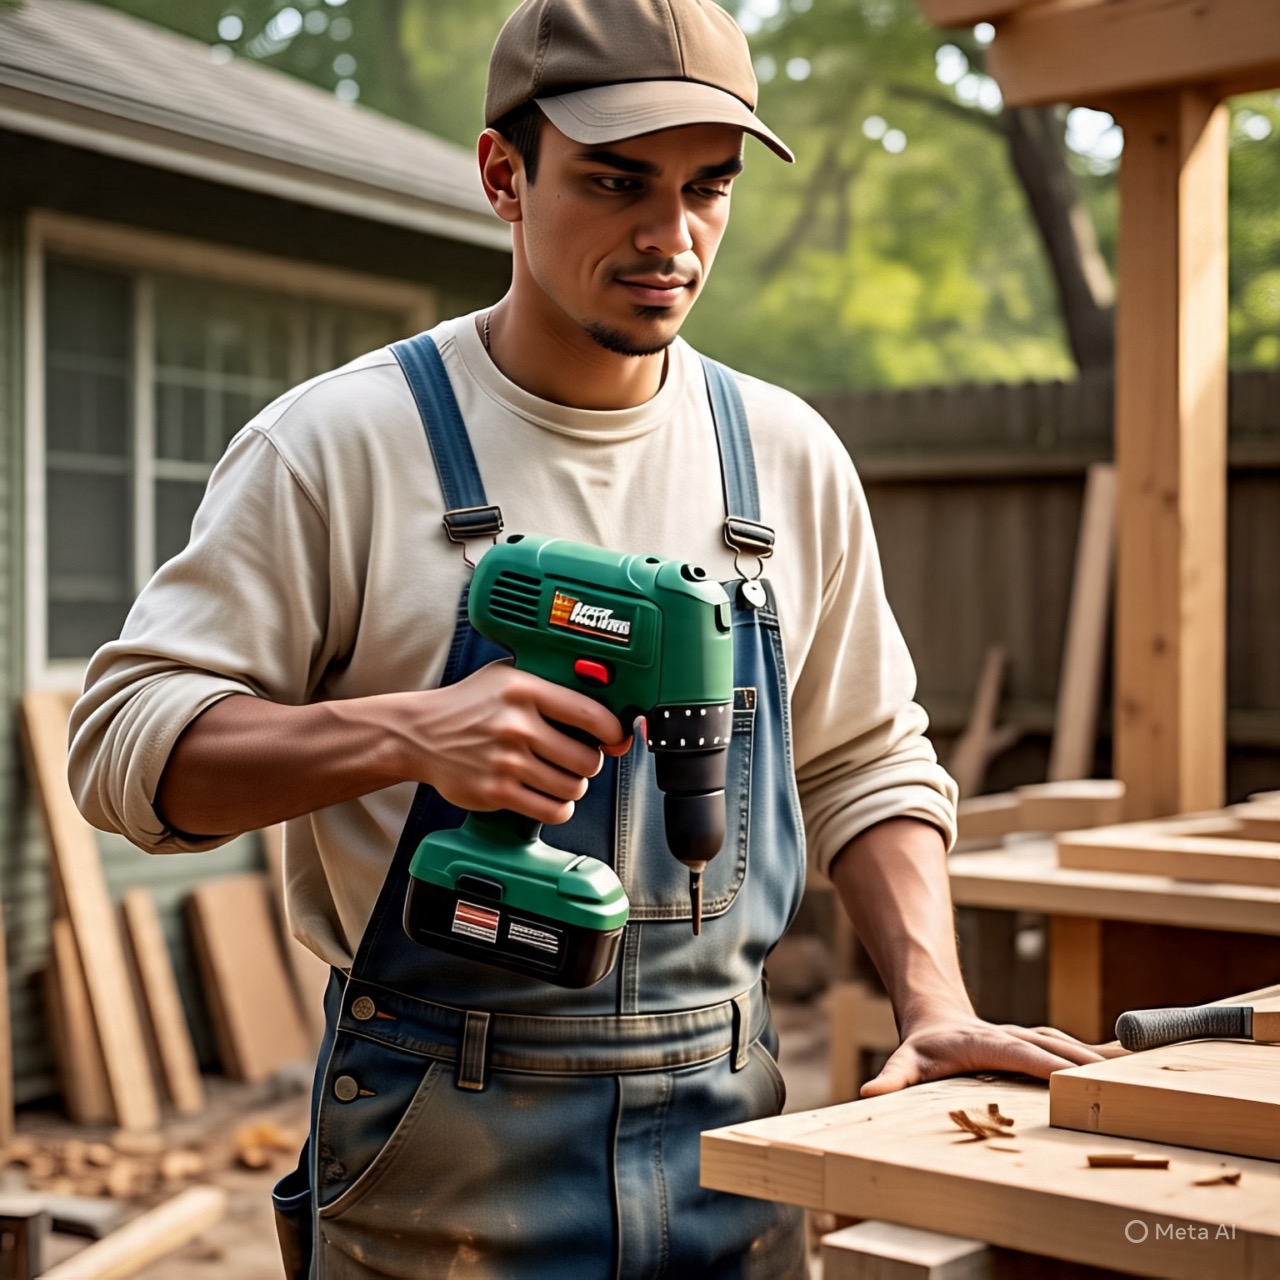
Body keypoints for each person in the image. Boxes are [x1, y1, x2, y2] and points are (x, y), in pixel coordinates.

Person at [68, 0, 1103, 1275]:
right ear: (504, 175)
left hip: (736, 1134)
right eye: (617, 183)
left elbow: (863, 761)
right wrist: (406, 731)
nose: (670, 235)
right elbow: (122, 750)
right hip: (441, 1146)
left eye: (704, 189)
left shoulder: (782, 459)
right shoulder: (337, 445)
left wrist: (931, 999)